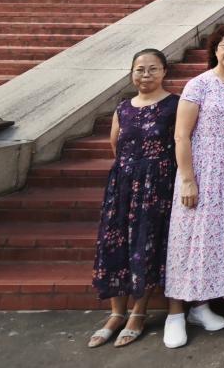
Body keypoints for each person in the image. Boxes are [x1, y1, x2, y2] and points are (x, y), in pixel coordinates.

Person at [163, 25, 224, 349]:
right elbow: (181, 135)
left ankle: (201, 305)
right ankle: (175, 312)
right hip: (201, 171)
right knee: (187, 238)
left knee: (217, 240)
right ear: (215, 49)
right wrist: (187, 179)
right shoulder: (199, 84)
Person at [89, 49, 178, 349]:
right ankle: (116, 313)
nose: (146, 75)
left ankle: (138, 313)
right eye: (140, 69)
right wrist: (130, 171)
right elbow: (116, 144)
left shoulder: (174, 105)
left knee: (145, 246)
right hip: (122, 185)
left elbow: (180, 142)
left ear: (164, 72)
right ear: (132, 73)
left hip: (157, 186)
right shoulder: (123, 108)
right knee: (115, 245)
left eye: (153, 69)